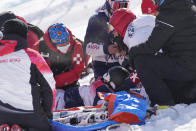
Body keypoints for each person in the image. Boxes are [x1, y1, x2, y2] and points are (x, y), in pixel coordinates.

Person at [112, 0, 196, 106]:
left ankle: (163, 104)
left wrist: (133, 53)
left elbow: (151, 46)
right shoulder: (188, 7)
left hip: (186, 66)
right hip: (188, 63)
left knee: (142, 61)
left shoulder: (168, 14)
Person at [0, 19, 56, 131]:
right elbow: (49, 86)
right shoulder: (32, 55)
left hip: (3, 115)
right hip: (31, 115)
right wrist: (47, 111)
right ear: (24, 34)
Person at [54, 66, 143, 110]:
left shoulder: (104, 84)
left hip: (69, 95)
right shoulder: (101, 89)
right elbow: (101, 106)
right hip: (65, 101)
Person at [83, 0, 132, 78]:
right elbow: (87, 48)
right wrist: (106, 49)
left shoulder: (128, 18)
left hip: (124, 64)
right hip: (103, 67)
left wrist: (126, 50)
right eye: (117, 5)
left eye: (124, 5)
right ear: (109, 4)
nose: (120, 9)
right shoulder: (96, 20)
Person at [37, 23, 85, 91]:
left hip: (70, 83)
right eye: (61, 44)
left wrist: (56, 82)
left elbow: (78, 70)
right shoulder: (41, 47)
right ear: (52, 41)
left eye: (66, 41)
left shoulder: (76, 47)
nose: (65, 45)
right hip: (47, 85)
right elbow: (38, 69)